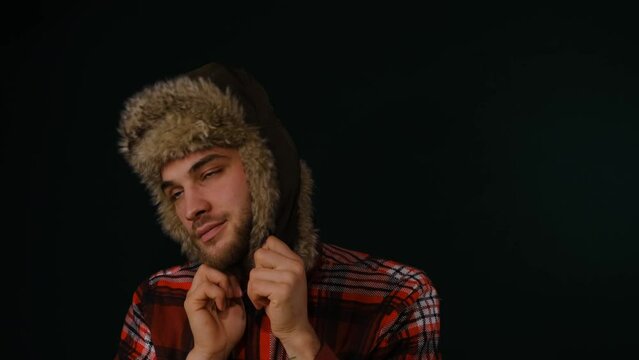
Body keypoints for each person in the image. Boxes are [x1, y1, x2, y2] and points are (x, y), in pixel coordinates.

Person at [114, 61, 441, 360]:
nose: (191, 208)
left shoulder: (396, 296)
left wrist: (300, 339)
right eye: (175, 193)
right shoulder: (158, 299)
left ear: (266, 167)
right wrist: (205, 355)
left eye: (210, 173)